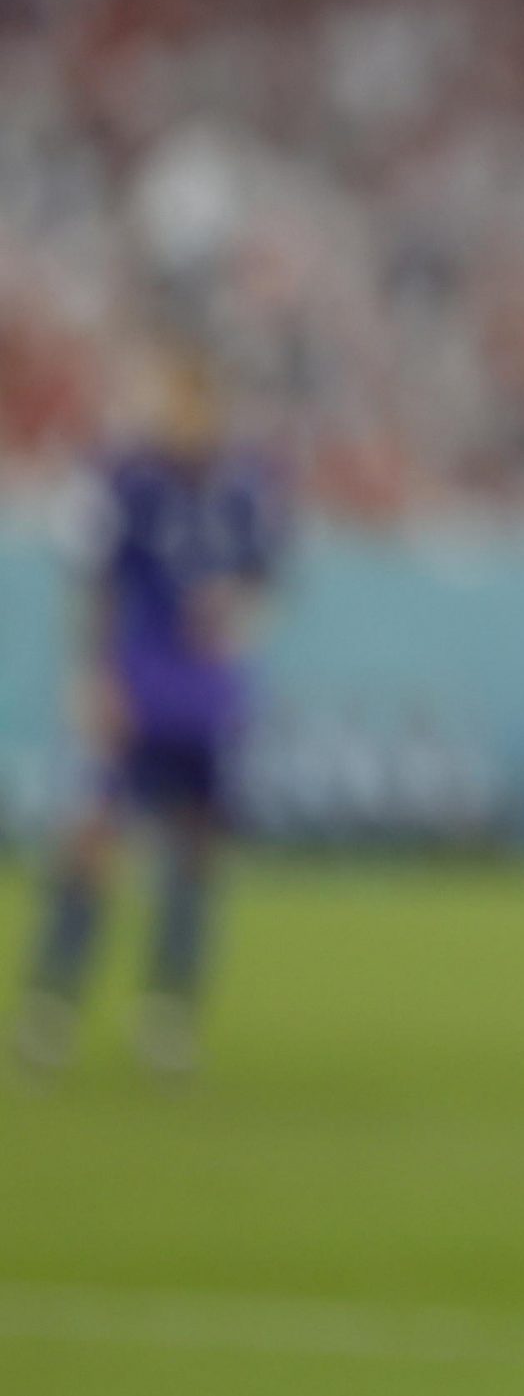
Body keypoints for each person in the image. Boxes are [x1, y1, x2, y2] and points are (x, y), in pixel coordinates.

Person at [15, 339, 286, 1079]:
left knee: (197, 849)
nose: (187, 414)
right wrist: (94, 679)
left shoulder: (244, 487)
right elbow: (94, 586)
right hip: (137, 680)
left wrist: (235, 612)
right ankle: (52, 1000)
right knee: (93, 840)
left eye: (198, 399)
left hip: (204, 693)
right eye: (175, 398)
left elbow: (263, 581)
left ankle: (169, 1008)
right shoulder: (124, 481)